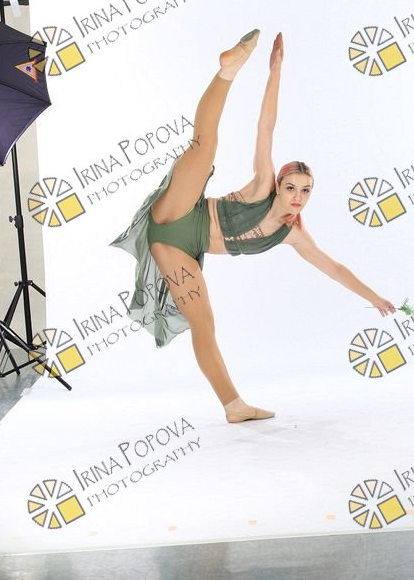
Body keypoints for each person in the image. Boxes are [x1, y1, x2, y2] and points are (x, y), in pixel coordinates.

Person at [111, 31, 395, 424]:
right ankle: (228, 71)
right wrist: (275, 71)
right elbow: (266, 127)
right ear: (279, 184)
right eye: (291, 187)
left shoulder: (293, 235)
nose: (297, 196)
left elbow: (334, 269)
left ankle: (234, 407)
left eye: (306, 191)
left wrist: (375, 297)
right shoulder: (263, 185)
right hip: (183, 208)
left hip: (175, 249)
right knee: (203, 146)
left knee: (204, 324)